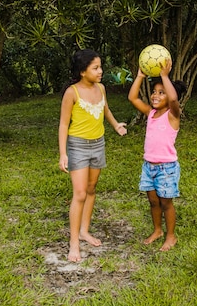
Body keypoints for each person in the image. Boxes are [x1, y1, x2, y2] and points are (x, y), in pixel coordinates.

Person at [58, 49, 128, 262]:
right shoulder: (72, 92)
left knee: (91, 189)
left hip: (99, 144)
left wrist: (115, 125)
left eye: (100, 67)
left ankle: (84, 231)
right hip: (78, 146)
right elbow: (63, 124)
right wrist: (63, 153)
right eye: (95, 68)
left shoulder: (101, 88)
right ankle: (74, 244)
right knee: (79, 193)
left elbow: (105, 109)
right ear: (82, 71)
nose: (101, 71)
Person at [128, 59, 187, 252]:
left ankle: (171, 236)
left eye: (161, 92)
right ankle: (157, 231)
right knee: (153, 201)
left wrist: (164, 76)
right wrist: (139, 76)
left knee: (166, 203)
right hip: (149, 166)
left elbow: (173, 100)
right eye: (154, 91)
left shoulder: (173, 114)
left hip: (167, 168)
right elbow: (133, 98)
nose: (155, 95)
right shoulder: (151, 113)